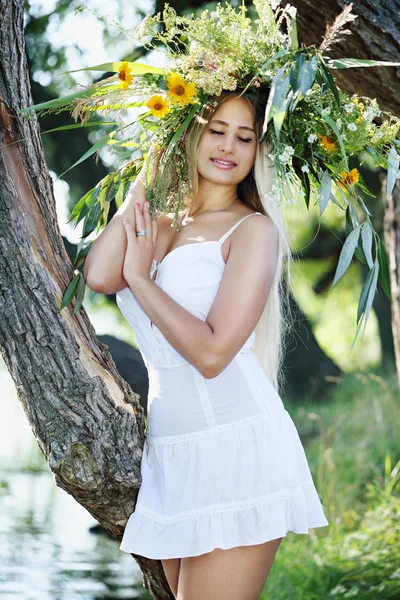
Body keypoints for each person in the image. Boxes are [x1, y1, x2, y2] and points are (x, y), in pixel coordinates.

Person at [84, 91, 329, 600]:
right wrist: (152, 170)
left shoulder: (254, 230)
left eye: (245, 138)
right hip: (173, 455)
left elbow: (214, 355)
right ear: (190, 132)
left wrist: (142, 278)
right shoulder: (164, 219)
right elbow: (100, 273)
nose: (228, 147)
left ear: (258, 152)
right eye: (216, 129)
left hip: (234, 445)